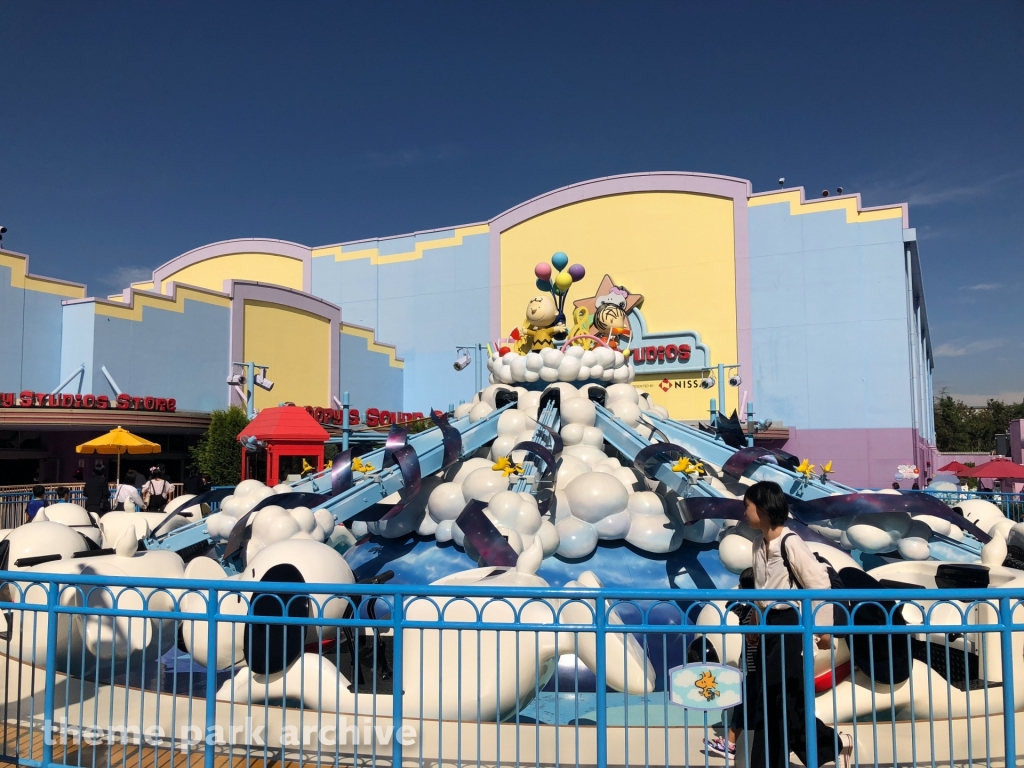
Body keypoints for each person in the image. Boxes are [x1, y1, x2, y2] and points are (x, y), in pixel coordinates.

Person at [743, 481, 853, 768]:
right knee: (772, 699)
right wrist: (755, 623)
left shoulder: (790, 542)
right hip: (769, 626)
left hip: (792, 624)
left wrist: (823, 630)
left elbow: (818, 584)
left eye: (748, 506)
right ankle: (824, 748)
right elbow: (760, 590)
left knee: (783, 698)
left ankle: (823, 747)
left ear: (764, 508)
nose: (744, 512)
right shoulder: (758, 544)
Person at [705, 567, 758, 759]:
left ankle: (730, 743)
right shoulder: (760, 608)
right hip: (758, 668)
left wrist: (740, 589)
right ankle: (730, 742)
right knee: (748, 706)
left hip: (755, 669)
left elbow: (729, 603)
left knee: (744, 706)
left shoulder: (747, 611)